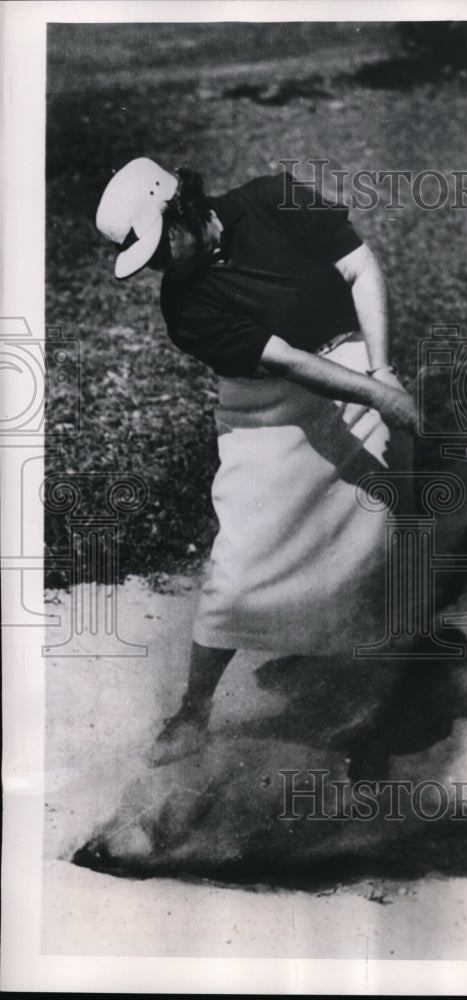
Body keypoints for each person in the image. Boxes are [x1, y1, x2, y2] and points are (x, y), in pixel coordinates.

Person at [96, 157, 418, 767]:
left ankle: (365, 706)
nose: (160, 267)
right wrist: (378, 393)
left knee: (370, 543)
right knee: (242, 560)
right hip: (266, 406)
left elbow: (358, 267)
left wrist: (381, 369)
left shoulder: (275, 198)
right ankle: (193, 712)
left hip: (353, 362)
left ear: (179, 209)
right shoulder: (184, 309)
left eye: (159, 248)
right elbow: (287, 362)